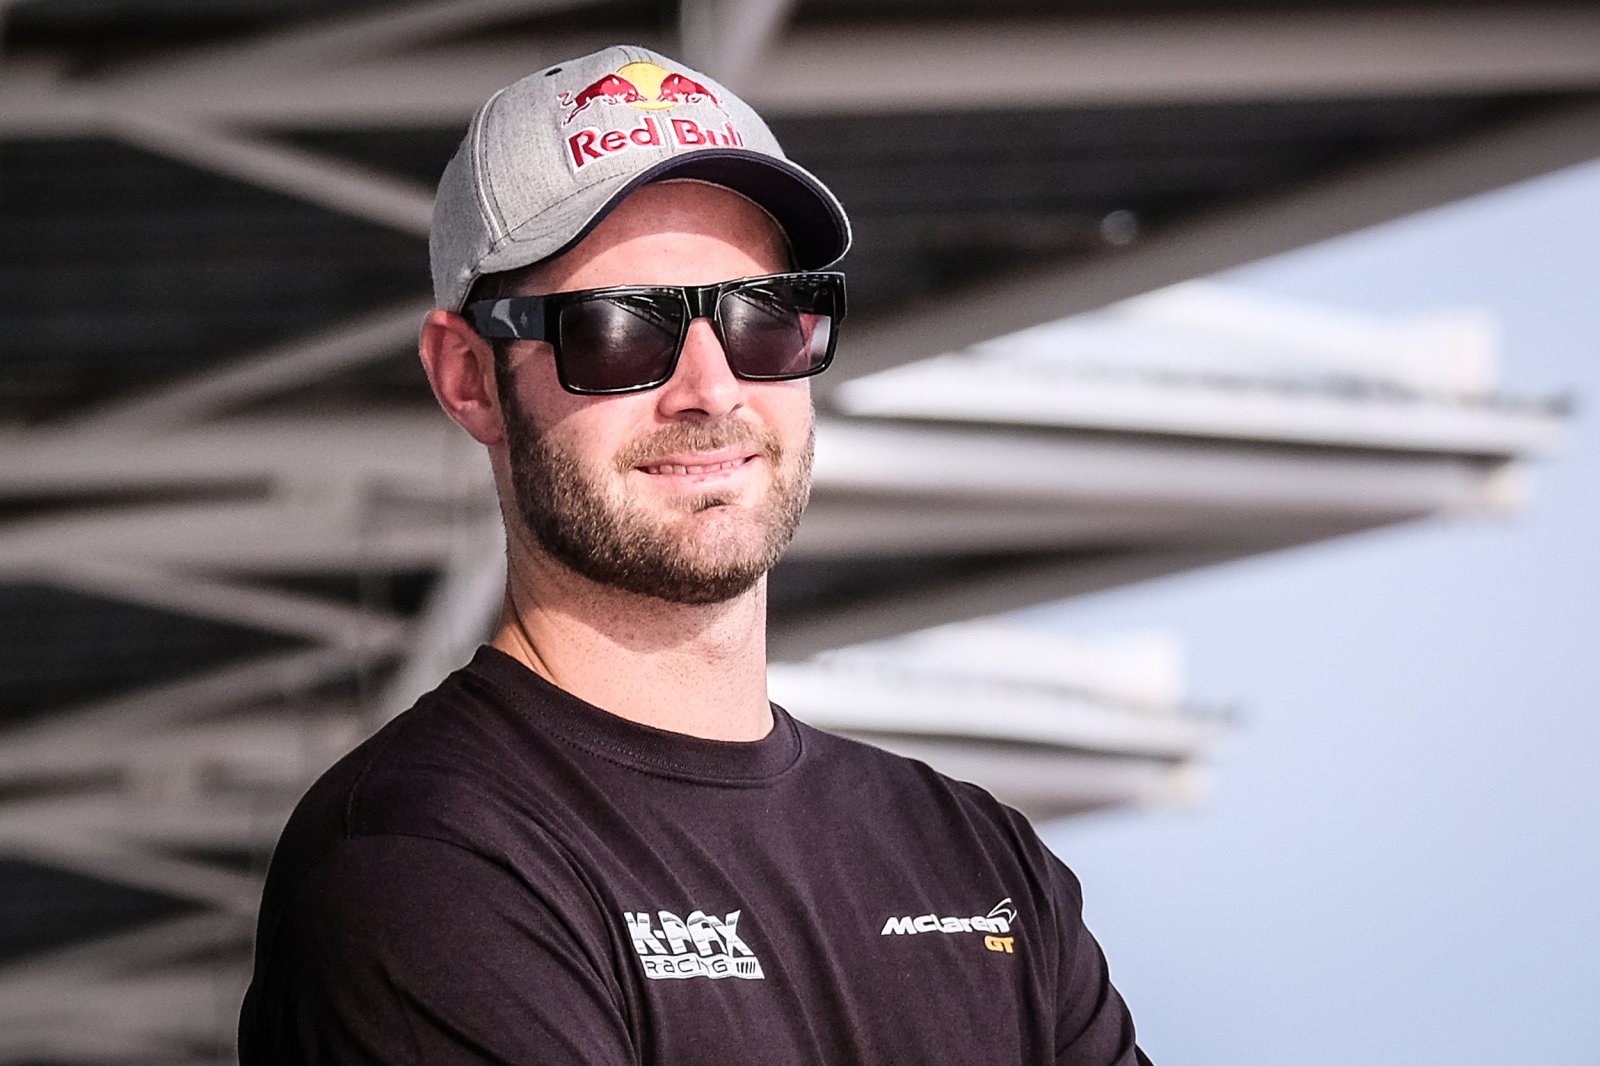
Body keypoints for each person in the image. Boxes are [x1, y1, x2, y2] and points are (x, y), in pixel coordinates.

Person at [238, 43, 1152, 1065]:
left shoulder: (979, 857)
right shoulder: (420, 862)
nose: (712, 390)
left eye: (764, 317)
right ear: (468, 377)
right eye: (619, 330)